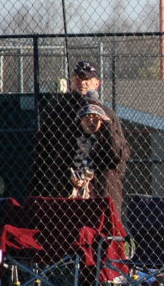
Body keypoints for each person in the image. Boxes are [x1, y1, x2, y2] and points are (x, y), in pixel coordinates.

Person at [30, 60, 131, 212]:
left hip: (101, 187)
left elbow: (118, 154)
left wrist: (106, 126)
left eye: (87, 79)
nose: (82, 83)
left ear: (97, 83)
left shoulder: (107, 115)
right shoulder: (59, 114)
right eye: (78, 78)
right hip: (67, 188)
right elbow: (44, 150)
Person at [68, 100, 131, 212]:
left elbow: (116, 155)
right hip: (77, 196)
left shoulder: (107, 139)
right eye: (86, 118)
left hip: (103, 192)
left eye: (95, 118)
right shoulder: (72, 142)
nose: (91, 121)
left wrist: (108, 126)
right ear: (80, 122)